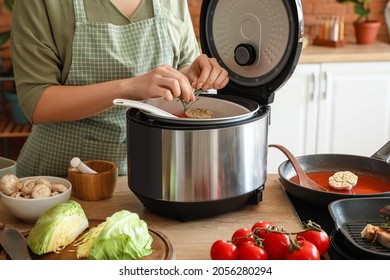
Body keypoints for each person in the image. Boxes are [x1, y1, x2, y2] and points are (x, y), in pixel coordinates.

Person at [10, 0, 229, 177]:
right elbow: (37, 102)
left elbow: (181, 69)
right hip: (61, 179)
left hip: (153, 175)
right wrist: (129, 87)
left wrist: (190, 77)